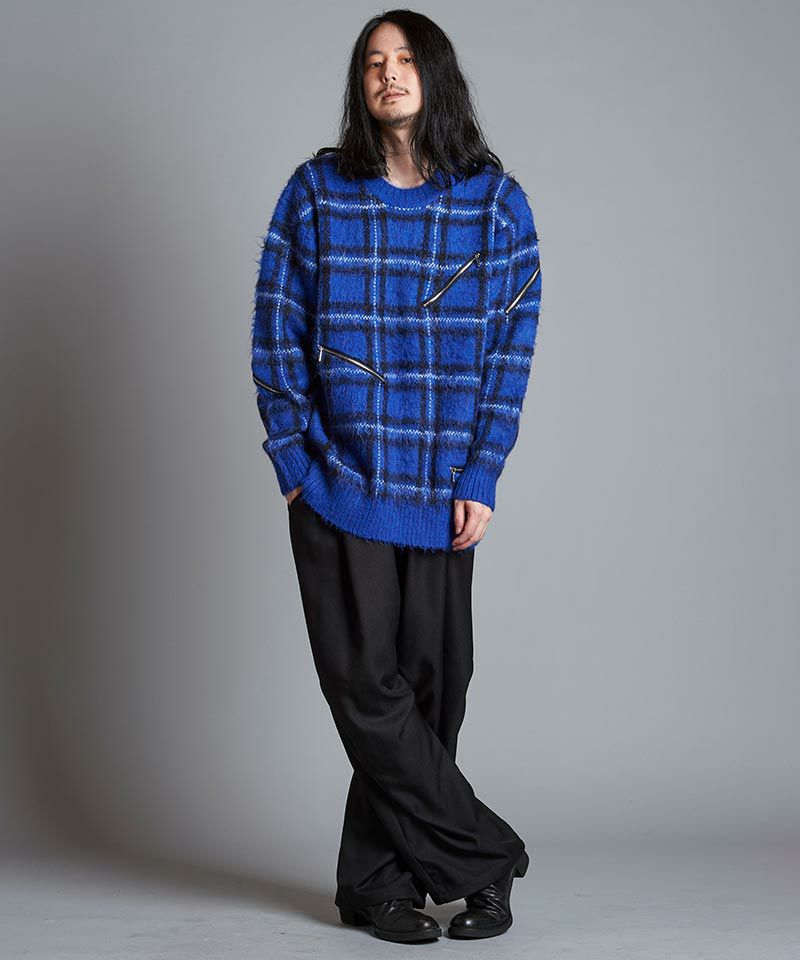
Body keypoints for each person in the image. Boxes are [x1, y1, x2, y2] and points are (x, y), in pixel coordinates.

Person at [250, 9, 542, 944]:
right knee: (368, 693)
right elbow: (275, 330)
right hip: (338, 483)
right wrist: (294, 462)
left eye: (405, 58)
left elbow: (511, 350)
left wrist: (483, 472)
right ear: (360, 83)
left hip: (442, 487)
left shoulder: (495, 204)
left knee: (434, 689)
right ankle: (483, 861)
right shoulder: (315, 193)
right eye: (373, 61)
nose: (388, 74)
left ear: (435, 74)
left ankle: (378, 885)